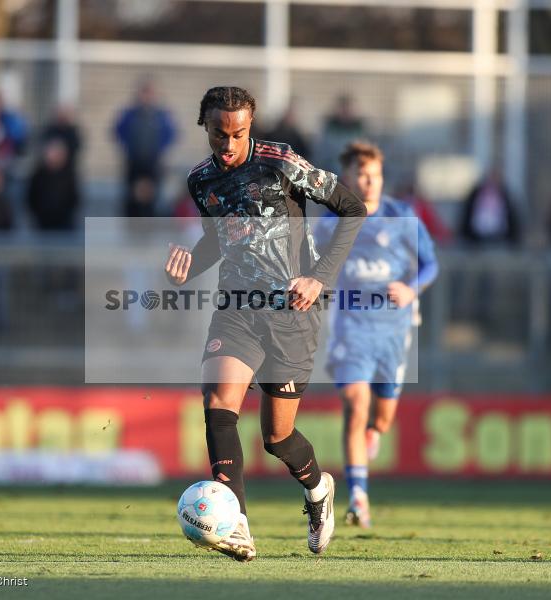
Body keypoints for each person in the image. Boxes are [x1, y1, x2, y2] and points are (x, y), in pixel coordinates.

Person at [164, 86, 366, 561]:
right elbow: (218, 241)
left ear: (250, 126)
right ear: (205, 127)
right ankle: (236, 525)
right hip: (237, 307)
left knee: (277, 437)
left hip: (293, 311)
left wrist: (319, 277)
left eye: (238, 134)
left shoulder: (282, 162)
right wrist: (187, 267)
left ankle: (318, 489)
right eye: (219, 134)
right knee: (218, 402)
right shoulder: (200, 181)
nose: (229, 144)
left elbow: (352, 209)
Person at [315, 142, 438, 529]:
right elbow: (312, 266)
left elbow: (430, 265)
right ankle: (358, 497)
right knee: (356, 405)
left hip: (393, 332)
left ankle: (375, 431)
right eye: (362, 175)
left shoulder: (401, 216)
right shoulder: (331, 223)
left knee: (382, 419)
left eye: (376, 175)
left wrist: (411, 289)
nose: (370, 182)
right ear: (347, 178)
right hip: (351, 330)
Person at [114, 79, 177, 220]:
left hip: (153, 162)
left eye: (150, 93)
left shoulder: (161, 115)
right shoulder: (130, 114)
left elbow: (171, 134)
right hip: (134, 161)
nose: (146, 97)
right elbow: (118, 131)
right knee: (132, 196)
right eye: (144, 93)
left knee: (151, 197)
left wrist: (160, 150)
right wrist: (128, 148)